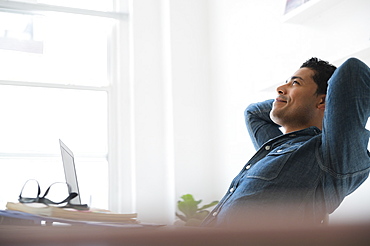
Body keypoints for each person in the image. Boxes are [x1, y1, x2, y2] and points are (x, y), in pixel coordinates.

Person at [201, 57, 370, 227]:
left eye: (295, 83)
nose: (280, 89)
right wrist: (287, 101)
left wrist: (315, 105)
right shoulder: (279, 149)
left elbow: (352, 72)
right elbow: (253, 113)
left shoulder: (330, 156)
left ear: (323, 101)